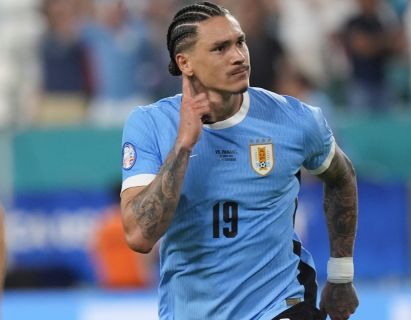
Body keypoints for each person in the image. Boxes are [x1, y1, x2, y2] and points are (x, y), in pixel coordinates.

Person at [120, 2, 358, 320]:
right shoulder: (151, 124)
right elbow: (139, 236)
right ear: (185, 62)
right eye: (220, 48)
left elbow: (341, 176)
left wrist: (341, 273)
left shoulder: (294, 119)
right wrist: (183, 145)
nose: (238, 56)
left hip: (280, 304)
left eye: (239, 42)